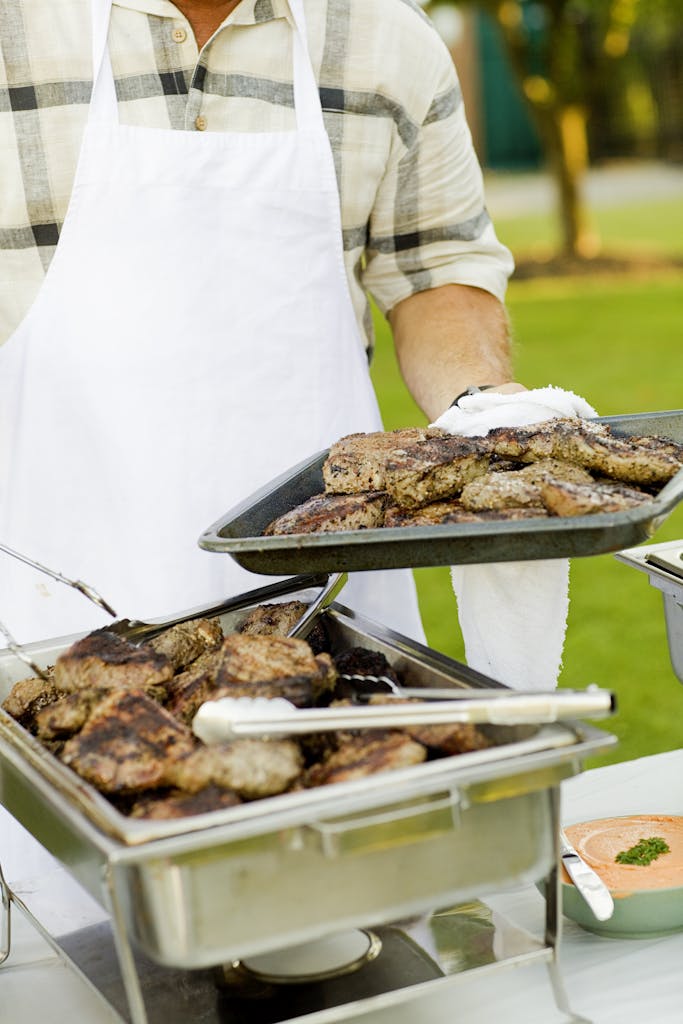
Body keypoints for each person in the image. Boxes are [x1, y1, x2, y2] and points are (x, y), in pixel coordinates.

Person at [0, 0, 521, 649]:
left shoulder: (386, 37)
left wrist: (484, 413)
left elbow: (434, 267)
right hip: (44, 621)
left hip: (321, 615)